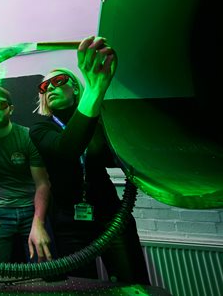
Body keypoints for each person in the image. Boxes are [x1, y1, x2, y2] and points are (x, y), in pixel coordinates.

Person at [29, 36, 150, 284]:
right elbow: (66, 150)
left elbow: (115, 157)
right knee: (79, 286)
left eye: (58, 81)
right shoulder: (41, 129)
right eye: (44, 87)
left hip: (110, 216)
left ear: (75, 87)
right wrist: (95, 90)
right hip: (69, 223)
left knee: (132, 284)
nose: (50, 88)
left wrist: (96, 94)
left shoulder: (98, 119)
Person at [0, 86, 52, 263]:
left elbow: (42, 184)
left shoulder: (27, 136)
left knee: (44, 266)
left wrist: (38, 222)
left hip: (30, 209)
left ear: (11, 108)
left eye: (0, 104)